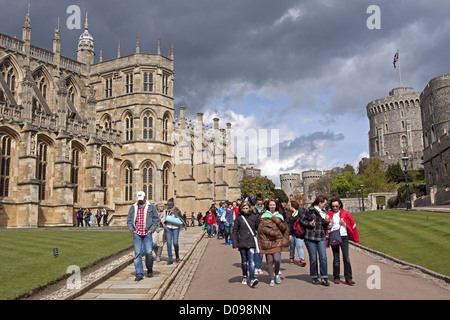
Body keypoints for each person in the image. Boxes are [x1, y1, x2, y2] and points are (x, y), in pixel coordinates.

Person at [126, 191, 160, 281]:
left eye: (142, 199)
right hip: (137, 233)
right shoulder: (133, 207)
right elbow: (129, 220)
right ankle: (139, 273)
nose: (140, 201)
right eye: (139, 199)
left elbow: (156, 220)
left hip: (147, 233)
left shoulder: (151, 207)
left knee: (149, 252)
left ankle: (149, 269)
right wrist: (132, 230)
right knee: (137, 253)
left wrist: (150, 230)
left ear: (145, 198)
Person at [326, 197, 359, 285]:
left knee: (346, 258)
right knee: (336, 258)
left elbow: (351, 224)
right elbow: (326, 227)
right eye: (333, 206)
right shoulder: (329, 214)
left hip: (343, 236)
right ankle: (336, 277)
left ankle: (348, 278)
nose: (335, 208)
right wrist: (330, 223)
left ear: (340, 205)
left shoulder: (345, 213)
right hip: (334, 236)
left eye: (336, 206)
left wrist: (344, 224)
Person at [256, 199, 289, 286]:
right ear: (268, 206)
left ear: (276, 206)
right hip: (267, 241)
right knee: (269, 261)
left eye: (274, 205)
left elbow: (283, 229)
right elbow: (261, 229)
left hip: (277, 241)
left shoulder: (280, 216)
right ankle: (271, 278)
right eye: (271, 205)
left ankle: (277, 274)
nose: (272, 206)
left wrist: (276, 220)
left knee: (277, 259)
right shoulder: (264, 215)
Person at [300, 195, 331, 286]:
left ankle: (324, 277)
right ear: (319, 203)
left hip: (321, 236)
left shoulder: (324, 212)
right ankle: (314, 276)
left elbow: (324, 225)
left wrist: (327, 221)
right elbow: (302, 221)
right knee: (313, 259)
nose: (325, 206)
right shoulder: (309, 210)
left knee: (323, 258)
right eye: (324, 204)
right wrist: (309, 224)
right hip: (310, 237)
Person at [232, 201, 260, 287]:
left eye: (247, 208)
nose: (245, 210)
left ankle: (252, 279)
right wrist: (235, 243)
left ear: (249, 208)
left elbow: (259, 228)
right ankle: (244, 276)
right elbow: (235, 231)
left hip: (251, 242)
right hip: (242, 242)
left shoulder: (254, 217)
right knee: (244, 261)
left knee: (251, 262)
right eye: (243, 208)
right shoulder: (239, 218)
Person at [161, 198, 187, 265]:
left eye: (169, 205)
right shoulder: (165, 211)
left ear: (172, 205)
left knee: (175, 243)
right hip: (168, 228)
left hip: (175, 228)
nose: (168, 206)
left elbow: (180, 218)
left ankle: (177, 255)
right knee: (169, 244)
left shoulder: (176, 210)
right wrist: (164, 224)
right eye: (167, 205)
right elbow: (162, 217)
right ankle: (170, 259)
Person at [287, 200, 307, 267]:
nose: (289, 206)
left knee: (299, 246)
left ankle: (302, 259)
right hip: (292, 233)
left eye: (289, 205)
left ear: (292, 206)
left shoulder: (300, 212)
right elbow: (289, 225)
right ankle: (291, 257)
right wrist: (289, 234)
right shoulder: (289, 213)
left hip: (298, 233)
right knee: (292, 246)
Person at [253, 197, 265, 275]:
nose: (260, 205)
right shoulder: (253, 210)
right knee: (256, 251)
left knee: (261, 251)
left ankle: (259, 267)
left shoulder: (265, 210)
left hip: (263, 232)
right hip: (255, 232)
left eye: (261, 203)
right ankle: (255, 267)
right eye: (258, 203)